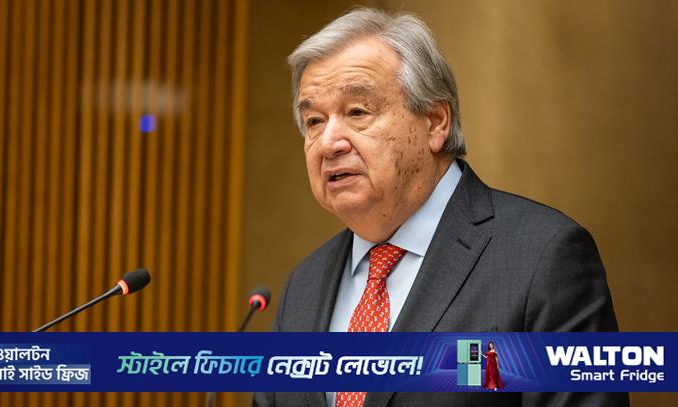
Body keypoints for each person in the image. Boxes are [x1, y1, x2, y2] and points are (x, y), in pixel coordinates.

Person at [254, 7, 628, 407]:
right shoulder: (304, 286)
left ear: (435, 122)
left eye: (357, 112)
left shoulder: (542, 258)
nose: (329, 143)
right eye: (314, 121)